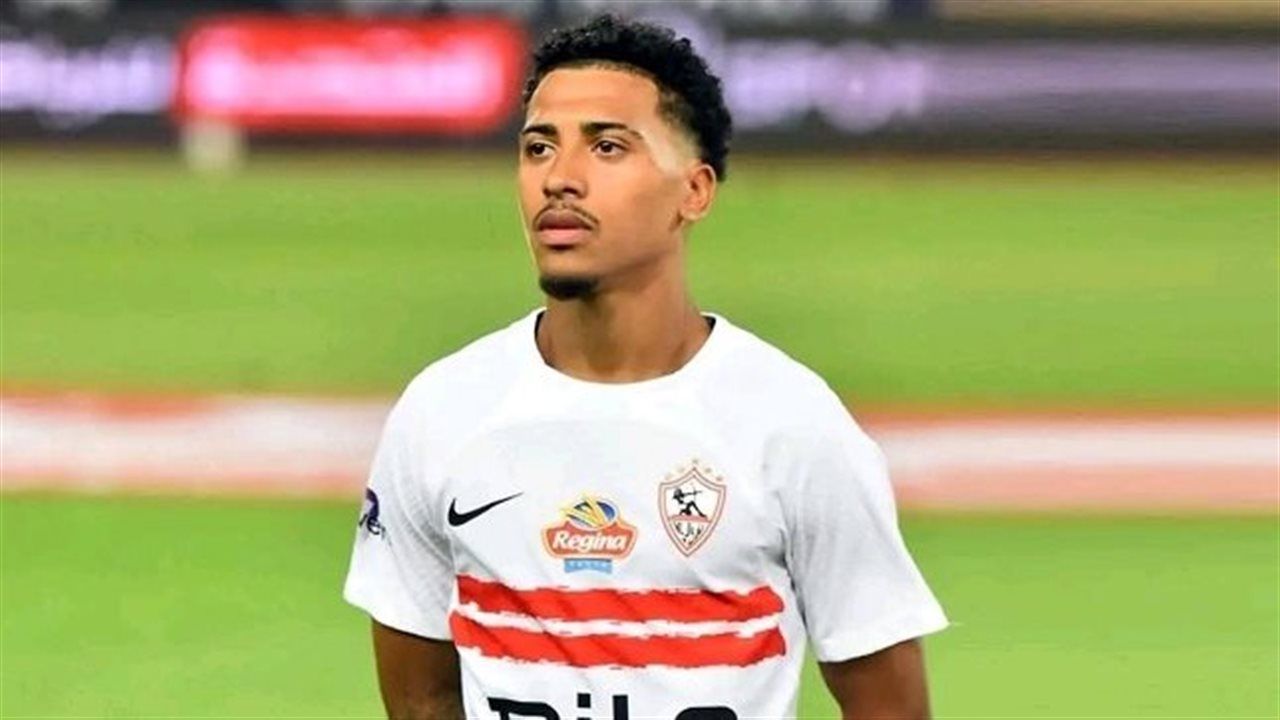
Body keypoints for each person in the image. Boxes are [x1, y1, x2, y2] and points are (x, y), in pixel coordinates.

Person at [344, 14, 947, 720]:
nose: (560, 179)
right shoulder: (444, 410)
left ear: (694, 191)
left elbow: (889, 707)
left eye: (607, 147)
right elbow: (420, 699)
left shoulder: (793, 425)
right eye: (539, 147)